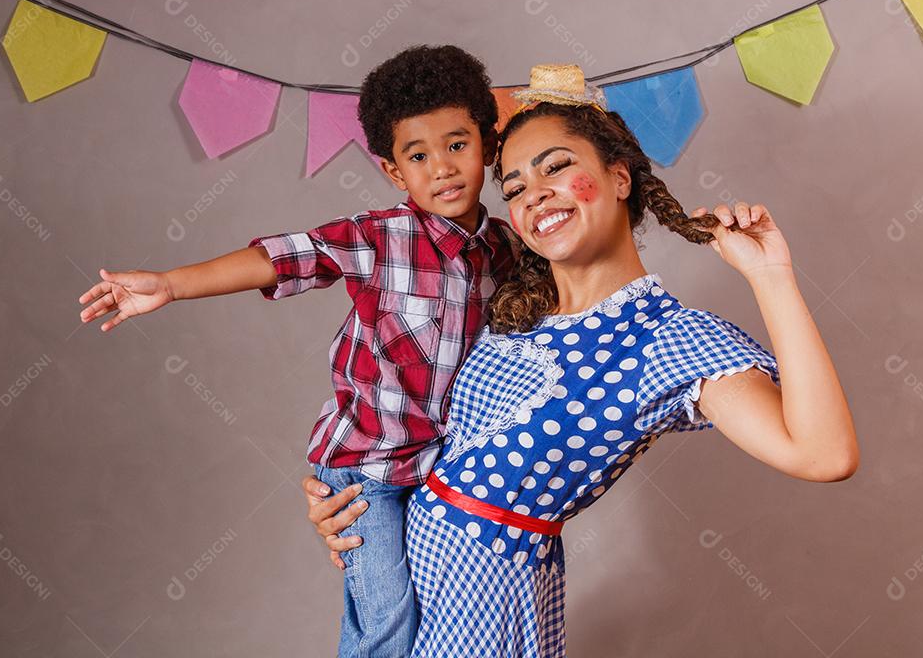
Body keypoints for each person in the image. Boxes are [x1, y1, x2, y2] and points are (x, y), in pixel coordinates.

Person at [303, 64, 859, 657]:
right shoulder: (508, 300)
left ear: (619, 177)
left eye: (557, 167)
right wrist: (347, 495)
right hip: (407, 579)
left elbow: (824, 455)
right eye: (513, 188)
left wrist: (771, 278)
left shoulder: (669, 340)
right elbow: (392, 389)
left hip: (484, 606)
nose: (533, 194)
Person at [76, 45, 518, 658]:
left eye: (458, 144)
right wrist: (172, 284)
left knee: (449, 625)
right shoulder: (379, 238)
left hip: (442, 472)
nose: (441, 167)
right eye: (418, 155)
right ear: (394, 172)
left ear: (488, 145)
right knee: (388, 623)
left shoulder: (507, 250)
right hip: (366, 471)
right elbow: (281, 257)